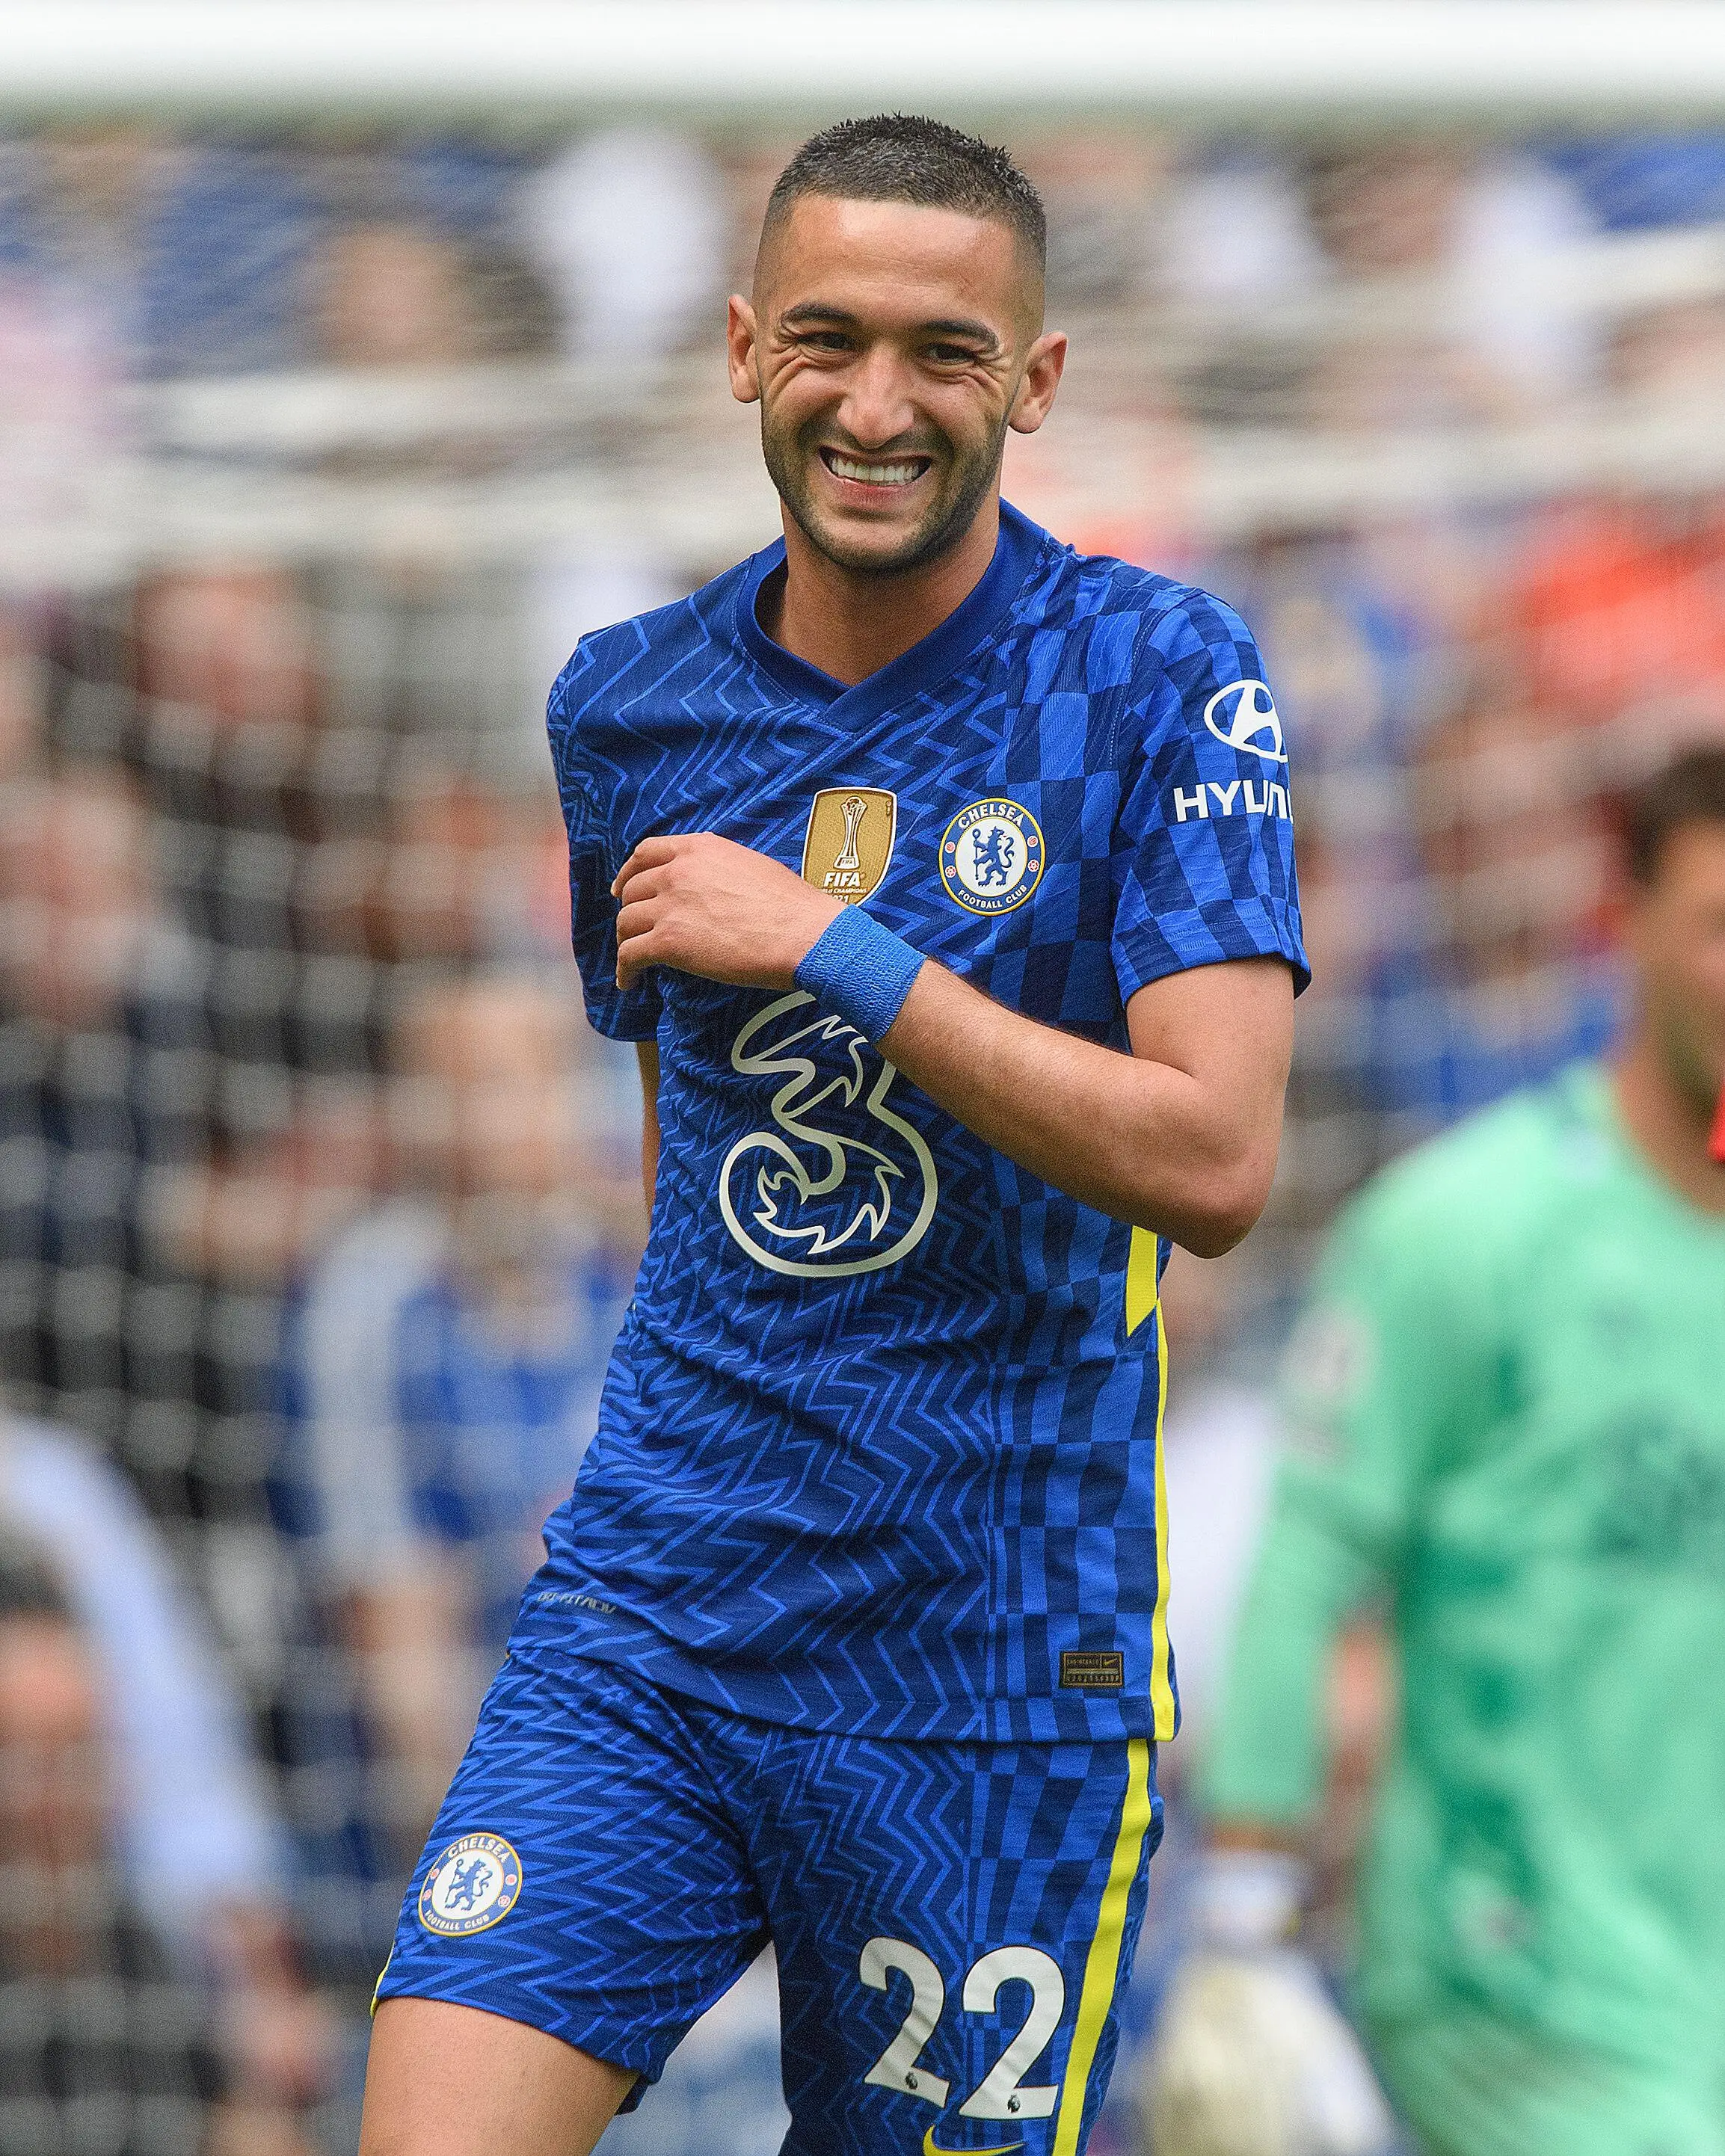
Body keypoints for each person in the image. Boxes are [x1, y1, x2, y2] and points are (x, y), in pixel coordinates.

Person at [363, 114, 1306, 2156]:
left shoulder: (1158, 679)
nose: (877, 403)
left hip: (988, 1661)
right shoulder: (626, 703)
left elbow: (1220, 1162)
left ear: (1032, 383)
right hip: (660, 1613)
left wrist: (837, 950)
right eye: (826, 338)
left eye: (943, 352)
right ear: (737, 350)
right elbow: (682, 1157)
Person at [1161, 745, 1725, 2156]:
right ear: (1629, 918)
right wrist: (1245, 1933)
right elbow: (1306, 1567)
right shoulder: (1465, 1228)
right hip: (1522, 1982)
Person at [276, 970, 633, 1851]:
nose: (486, 1119)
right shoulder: (370, 1301)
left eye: (515, 1078)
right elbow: (400, 1657)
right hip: (456, 1824)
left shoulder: (621, 1274)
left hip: (643, 1780)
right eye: (457, 1084)